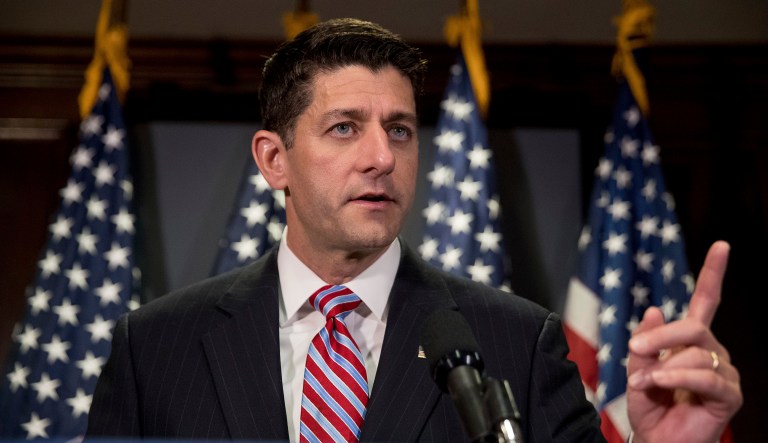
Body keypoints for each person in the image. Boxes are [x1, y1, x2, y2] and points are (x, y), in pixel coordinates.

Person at [86, 18, 742, 442]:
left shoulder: (517, 340)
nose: (381, 156)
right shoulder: (155, 349)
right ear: (273, 159)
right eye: (344, 127)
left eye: (399, 129)